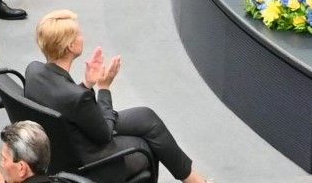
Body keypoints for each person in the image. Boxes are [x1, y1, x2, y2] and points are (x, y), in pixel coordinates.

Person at [25, 10, 209, 183]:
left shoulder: (33, 71)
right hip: (89, 164)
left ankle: (193, 179)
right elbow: (104, 133)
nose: (83, 37)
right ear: (71, 45)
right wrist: (104, 88)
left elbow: (66, 101)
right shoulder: (77, 98)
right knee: (146, 145)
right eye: (79, 34)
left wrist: (87, 84)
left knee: (146, 117)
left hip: (62, 146)